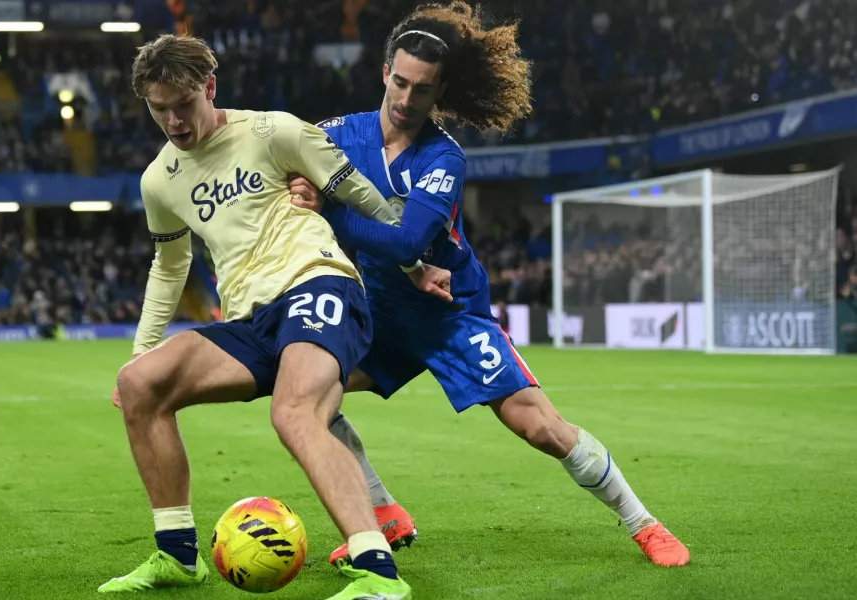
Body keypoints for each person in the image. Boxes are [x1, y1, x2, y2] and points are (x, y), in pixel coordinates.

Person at [287, 1, 691, 569]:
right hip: (378, 313)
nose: (406, 100)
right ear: (384, 73)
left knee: (540, 427)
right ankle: (382, 513)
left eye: (422, 90)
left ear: (440, 93)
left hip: (449, 313)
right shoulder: (331, 137)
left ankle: (644, 524)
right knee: (304, 394)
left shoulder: (443, 158)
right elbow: (278, 171)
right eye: (399, 82)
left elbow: (407, 243)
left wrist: (325, 210)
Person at [99, 33, 451, 598]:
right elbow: (170, 268)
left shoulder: (273, 131)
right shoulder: (159, 181)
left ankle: (378, 572)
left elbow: (363, 195)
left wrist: (414, 263)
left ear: (209, 88)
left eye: (184, 105)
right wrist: (143, 349)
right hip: (250, 323)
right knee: (140, 384)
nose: (174, 122)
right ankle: (177, 556)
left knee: (294, 414)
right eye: (158, 109)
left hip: (319, 285)